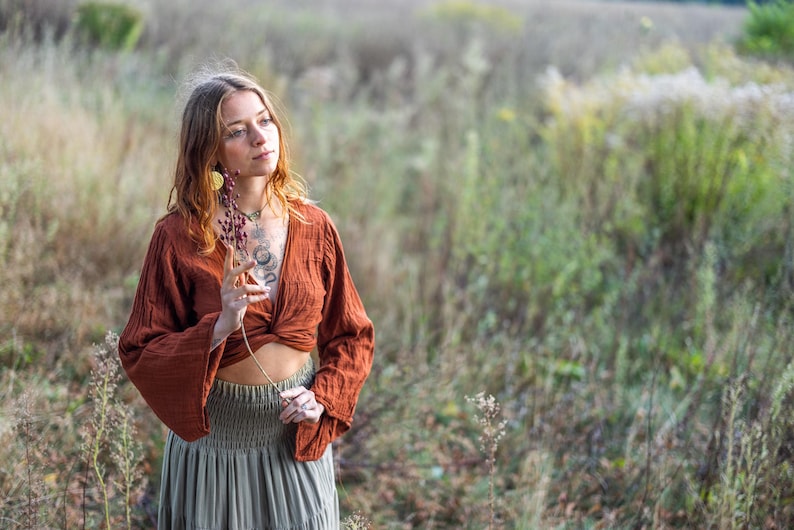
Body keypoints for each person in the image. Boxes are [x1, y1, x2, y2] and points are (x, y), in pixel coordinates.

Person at [118, 63, 375, 530]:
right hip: (217, 449)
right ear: (210, 151)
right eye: (238, 131)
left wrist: (322, 397)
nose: (261, 137)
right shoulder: (179, 236)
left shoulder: (313, 226)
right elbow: (139, 349)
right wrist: (219, 325)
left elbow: (352, 335)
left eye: (265, 119)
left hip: (294, 443)